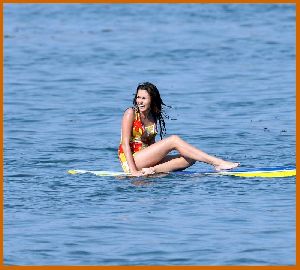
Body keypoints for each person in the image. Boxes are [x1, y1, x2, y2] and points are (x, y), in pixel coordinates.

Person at [118, 82, 239, 177]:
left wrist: (158, 157)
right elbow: (125, 144)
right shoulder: (131, 113)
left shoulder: (152, 117)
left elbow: (151, 145)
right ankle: (217, 162)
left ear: (152, 100)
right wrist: (133, 171)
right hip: (132, 161)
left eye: (144, 98)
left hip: (145, 161)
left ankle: (152, 170)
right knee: (173, 140)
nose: (140, 101)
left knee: (191, 158)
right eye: (138, 97)